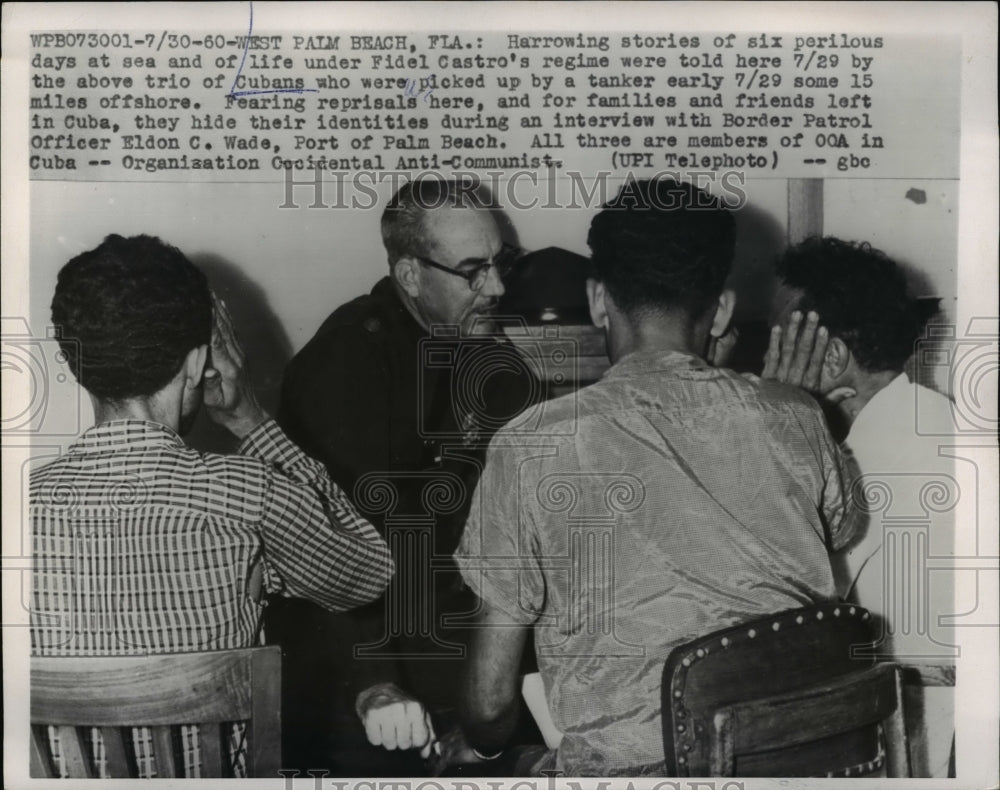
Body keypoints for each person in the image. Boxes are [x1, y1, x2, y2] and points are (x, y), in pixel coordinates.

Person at [447, 178, 864, 776]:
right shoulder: (796, 417)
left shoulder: (529, 445)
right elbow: (844, 526)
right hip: (811, 763)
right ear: (719, 310)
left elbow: (489, 706)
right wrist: (780, 406)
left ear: (597, 300)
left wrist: (488, 749)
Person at [30, 233, 393, 775]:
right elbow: (368, 574)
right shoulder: (249, 495)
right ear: (199, 360)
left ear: (77, 362)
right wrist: (249, 417)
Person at [275, 179, 543, 774]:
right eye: (473, 271)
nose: (496, 288)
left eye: (501, 265)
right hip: (361, 658)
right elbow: (335, 553)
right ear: (410, 276)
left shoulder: (483, 347)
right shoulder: (342, 366)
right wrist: (374, 685)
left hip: (464, 646)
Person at [762, 236, 956, 777]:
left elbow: (780, 608)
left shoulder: (866, 465)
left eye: (777, 340)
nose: (766, 364)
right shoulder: (937, 420)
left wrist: (776, 418)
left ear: (830, 357)